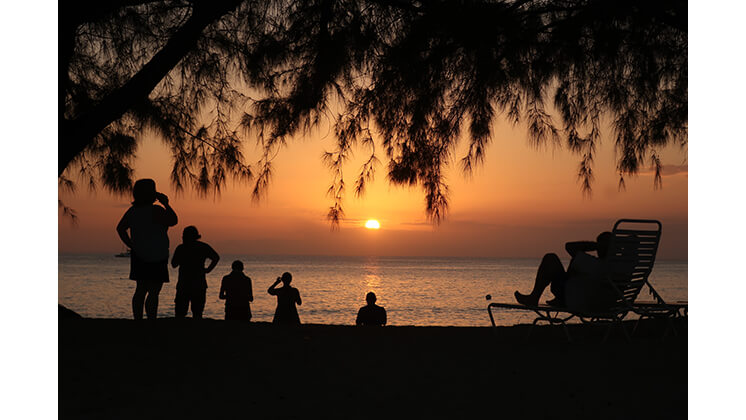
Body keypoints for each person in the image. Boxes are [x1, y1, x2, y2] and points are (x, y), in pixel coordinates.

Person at [116, 179, 178, 320]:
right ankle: (151, 319)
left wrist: (131, 245)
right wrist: (166, 204)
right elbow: (174, 220)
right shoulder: (156, 210)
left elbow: (120, 229)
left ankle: (138, 319)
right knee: (154, 291)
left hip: (140, 254)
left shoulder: (132, 211)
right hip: (158, 254)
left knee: (140, 289)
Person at [514, 231, 618, 312]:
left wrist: (596, 245)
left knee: (550, 258)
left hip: (579, 302)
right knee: (574, 265)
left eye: (601, 244)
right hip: (606, 304)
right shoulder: (618, 267)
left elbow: (569, 246)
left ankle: (534, 298)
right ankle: (550, 299)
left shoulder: (595, 264)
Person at [171, 226, 220, 319]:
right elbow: (216, 257)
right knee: (197, 313)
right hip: (198, 283)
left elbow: (174, 264)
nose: (182, 237)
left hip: (185, 284)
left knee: (181, 313)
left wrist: (208, 270)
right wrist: (208, 270)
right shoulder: (203, 247)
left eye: (184, 235)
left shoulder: (181, 248)